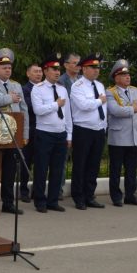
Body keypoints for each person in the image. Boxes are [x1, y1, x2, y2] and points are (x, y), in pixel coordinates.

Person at [0, 48, 29, 214]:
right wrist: (9, 98)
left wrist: (25, 133)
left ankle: (8, 203)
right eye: (4, 67)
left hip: (13, 134)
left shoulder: (16, 85)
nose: (7, 70)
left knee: (10, 171)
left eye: (9, 67)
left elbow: (24, 110)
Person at [31, 53, 71, 213]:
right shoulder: (38, 89)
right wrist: (55, 105)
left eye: (58, 69)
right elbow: (38, 110)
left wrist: (69, 135)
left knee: (57, 169)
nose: (57, 72)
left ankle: (53, 200)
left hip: (60, 134)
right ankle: (40, 201)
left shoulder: (62, 89)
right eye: (53, 69)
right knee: (41, 168)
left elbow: (68, 114)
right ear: (45, 71)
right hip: (44, 133)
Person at [69, 53, 108, 210]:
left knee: (94, 165)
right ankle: (78, 197)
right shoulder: (77, 86)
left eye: (97, 67)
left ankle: (89, 195)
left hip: (98, 130)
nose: (96, 70)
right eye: (92, 67)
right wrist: (99, 101)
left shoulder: (99, 85)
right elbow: (83, 105)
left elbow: (103, 107)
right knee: (80, 164)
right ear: (84, 69)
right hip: (83, 130)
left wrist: (104, 125)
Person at [105, 60, 137, 207]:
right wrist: (131, 109)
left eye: (128, 74)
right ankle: (116, 196)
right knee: (116, 169)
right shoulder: (110, 92)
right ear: (116, 78)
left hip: (134, 136)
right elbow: (114, 111)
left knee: (131, 168)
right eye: (123, 74)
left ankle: (130, 195)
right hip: (118, 137)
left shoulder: (135, 90)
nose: (127, 77)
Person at [57, 52, 81, 200]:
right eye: (74, 63)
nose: (77, 65)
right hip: (66, 124)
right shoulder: (60, 82)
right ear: (66, 65)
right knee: (62, 159)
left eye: (79, 63)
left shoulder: (82, 81)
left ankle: (78, 189)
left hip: (81, 125)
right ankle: (58, 190)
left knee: (80, 159)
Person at [20, 63, 43, 203]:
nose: (39, 74)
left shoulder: (45, 89)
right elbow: (30, 107)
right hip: (30, 130)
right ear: (28, 74)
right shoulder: (24, 89)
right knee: (25, 162)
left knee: (41, 163)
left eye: (40, 71)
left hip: (43, 131)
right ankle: (23, 190)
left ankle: (37, 191)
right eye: (35, 71)